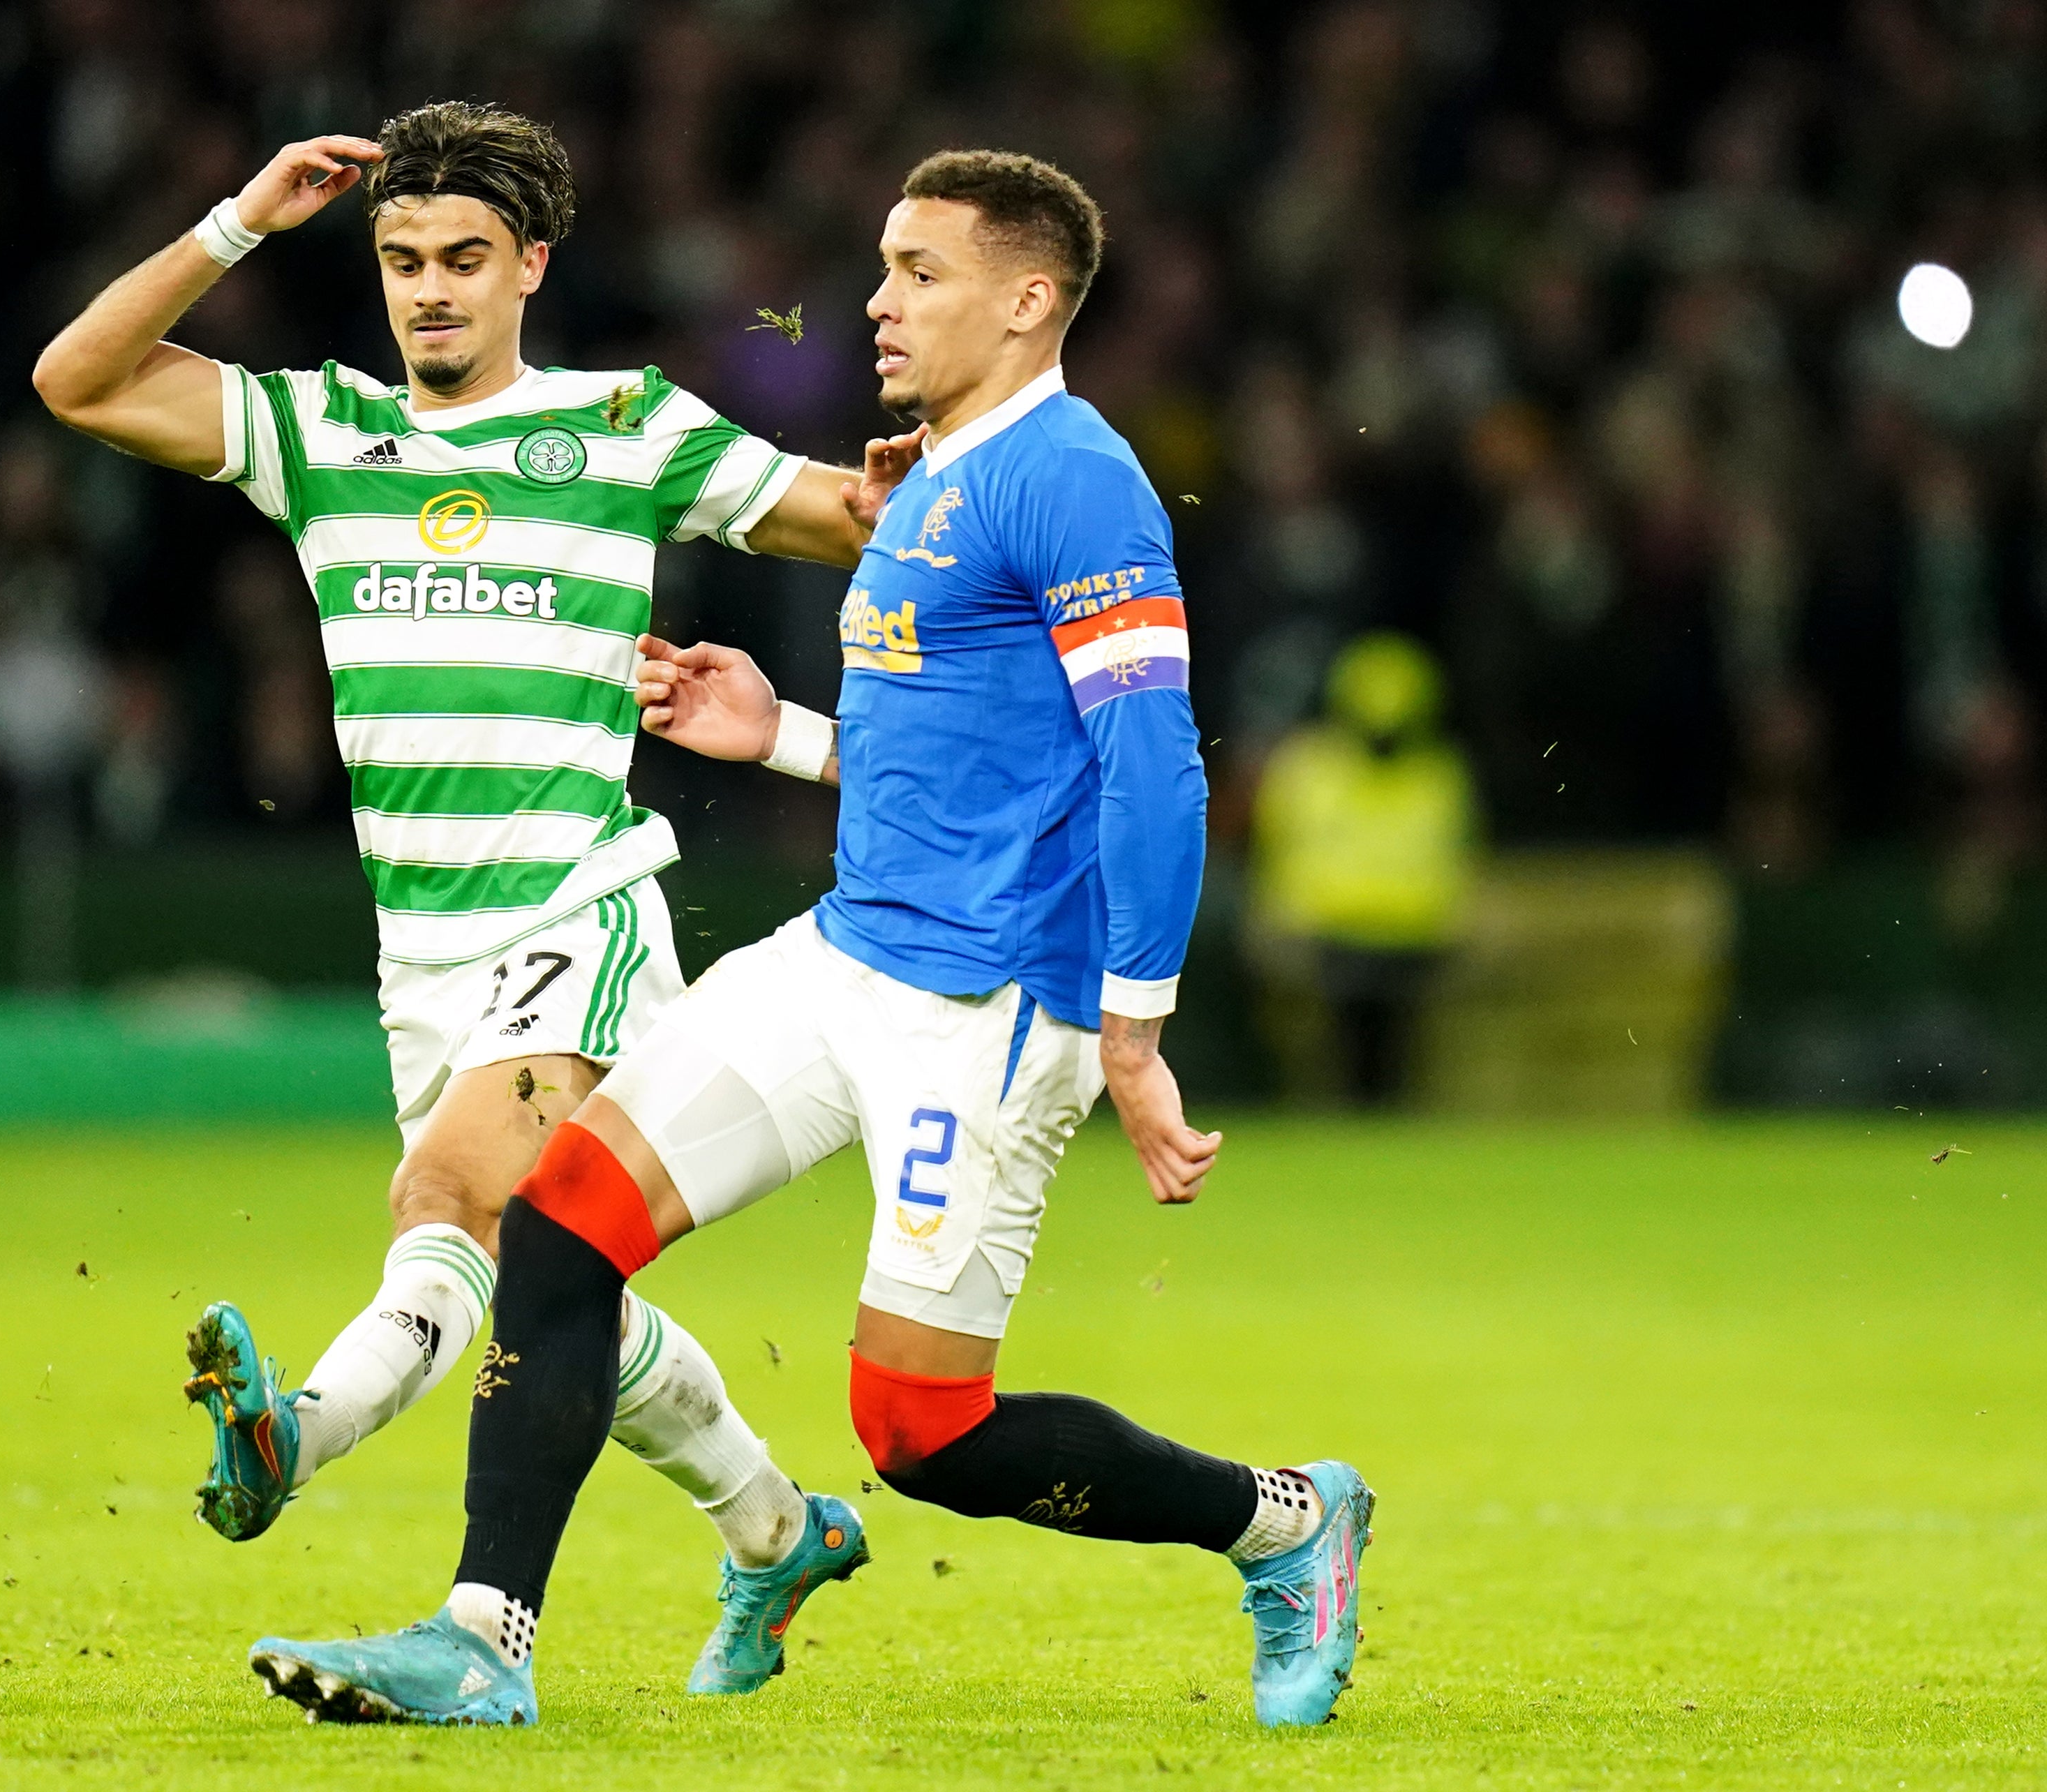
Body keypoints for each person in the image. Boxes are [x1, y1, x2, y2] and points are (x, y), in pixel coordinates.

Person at [247, 151, 1371, 1730]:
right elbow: (973, 746)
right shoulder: (928, 476)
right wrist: (777, 734)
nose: (875, 297)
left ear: (1028, 298)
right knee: (556, 1225)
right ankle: (484, 1631)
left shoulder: (1074, 476)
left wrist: (1131, 1029)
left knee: (922, 1429)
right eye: (882, 263)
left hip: (986, 1006)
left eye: (919, 269)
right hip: (842, 953)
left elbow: (1152, 757)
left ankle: (1287, 1517)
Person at [30, 101, 917, 1694]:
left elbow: (853, 521)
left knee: (446, 1202)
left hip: (576, 914)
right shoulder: (324, 438)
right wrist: (240, 221)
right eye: (398, 260)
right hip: (420, 959)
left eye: (459, 259)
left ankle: (293, 1437)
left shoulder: (630, 430)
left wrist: (913, 492)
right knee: (541, 1275)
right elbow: (76, 379)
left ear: (529, 267)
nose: (427, 290)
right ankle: (776, 1527)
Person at [1247, 631, 1477, 1105]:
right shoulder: (1435, 772)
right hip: (1340, 934)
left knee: (1387, 1058)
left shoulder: (1313, 766)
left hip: (1400, 934)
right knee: (1349, 1056)